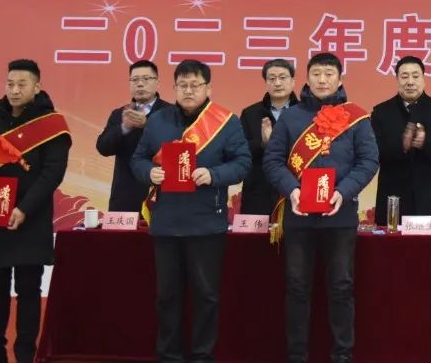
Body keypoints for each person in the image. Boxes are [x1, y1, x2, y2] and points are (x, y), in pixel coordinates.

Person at [262, 52, 380, 363]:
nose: (322, 79)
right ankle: (296, 355)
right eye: (316, 73)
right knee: (297, 287)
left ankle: (342, 355)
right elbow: (272, 161)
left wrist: (343, 192)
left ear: (340, 79)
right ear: (307, 78)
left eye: (329, 73)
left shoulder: (356, 117)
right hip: (299, 216)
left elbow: (369, 161)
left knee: (341, 287)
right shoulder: (291, 117)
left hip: (340, 216)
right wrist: (292, 191)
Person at [131, 59, 251, 363]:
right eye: (182, 85)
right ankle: (168, 355)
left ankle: (202, 355)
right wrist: (149, 173)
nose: (188, 91)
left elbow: (243, 163)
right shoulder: (158, 121)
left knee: (206, 295)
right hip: (166, 222)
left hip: (206, 223)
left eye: (195, 85)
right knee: (167, 296)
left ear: (208, 88)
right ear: (173, 88)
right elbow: (138, 159)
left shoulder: (226, 121)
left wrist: (213, 174)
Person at [0, 59, 72, 363]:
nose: (14, 90)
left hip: (30, 220)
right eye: (10, 84)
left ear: (37, 87)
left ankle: (25, 355)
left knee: (28, 290)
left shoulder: (52, 125)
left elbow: (52, 174)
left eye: (22, 84)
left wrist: (24, 208)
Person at [371, 55, 431, 226]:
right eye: (404, 76)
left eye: (415, 76)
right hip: (393, 199)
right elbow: (373, 152)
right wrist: (402, 145)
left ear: (423, 79)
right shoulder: (381, 112)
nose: (410, 82)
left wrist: (426, 143)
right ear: (397, 80)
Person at [97, 59, 169, 212]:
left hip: (161, 196)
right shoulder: (119, 114)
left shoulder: (172, 113)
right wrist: (124, 127)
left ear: (157, 83)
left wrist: (146, 125)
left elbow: (177, 147)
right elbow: (103, 148)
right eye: (135, 80)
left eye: (146, 79)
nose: (140, 84)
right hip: (125, 198)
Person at [239, 58, 299, 215]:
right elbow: (239, 151)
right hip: (259, 191)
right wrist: (263, 143)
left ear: (293, 81)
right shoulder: (250, 113)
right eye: (272, 78)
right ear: (266, 83)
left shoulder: (304, 113)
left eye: (283, 77)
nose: (277, 83)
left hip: (295, 189)